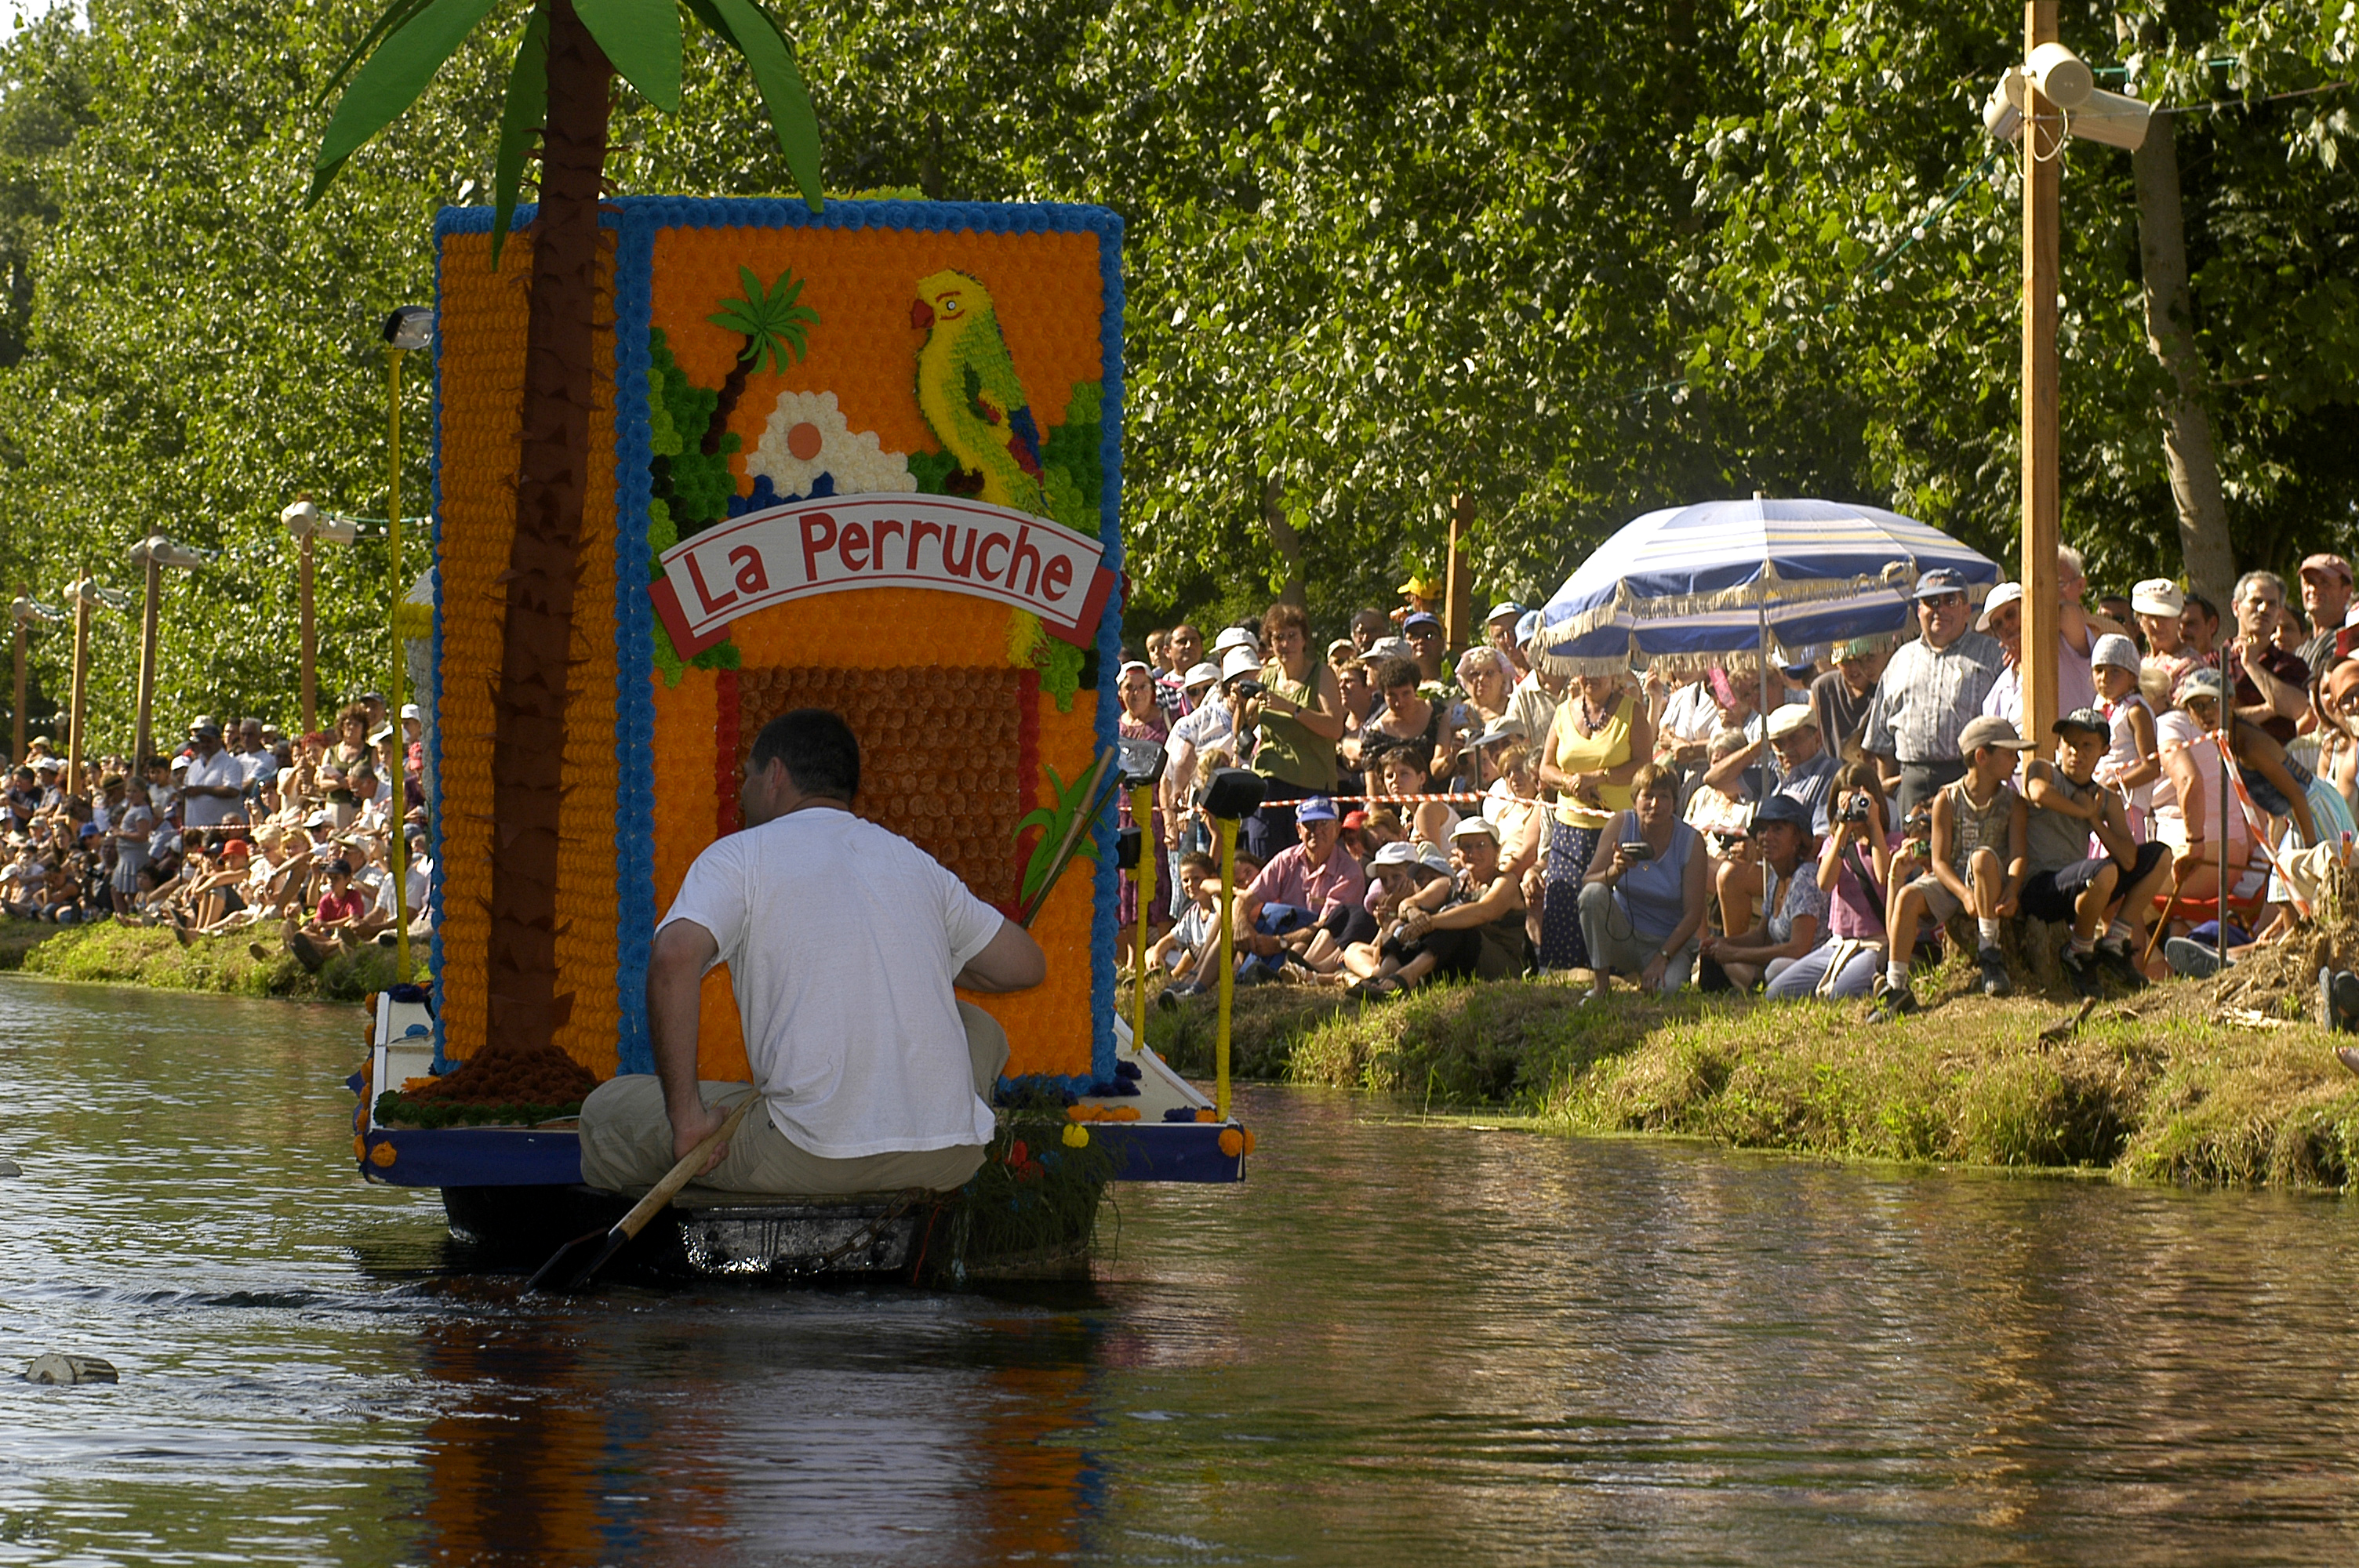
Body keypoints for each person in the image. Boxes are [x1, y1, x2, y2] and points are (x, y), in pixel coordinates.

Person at [578, 708, 1047, 1196]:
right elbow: (1025, 964)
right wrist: (929, 947)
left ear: (775, 774)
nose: (742, 794)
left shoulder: (740, 855)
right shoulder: (915, 863)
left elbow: (673, 957)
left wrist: (687, 1120)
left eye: (748, 777)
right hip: (950, 1155)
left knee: (604, 1113)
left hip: (808, 1153)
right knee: (979, 1028)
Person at [1871, 715, 2031, 1018]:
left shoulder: (2013, 803)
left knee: (1982, 858)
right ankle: (1897, 986)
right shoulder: (1948, 798)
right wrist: (1964, 895)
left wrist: (2012, 889)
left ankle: (1990, 951)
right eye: (2010, 752)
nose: (2017, 759)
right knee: (1907, 897)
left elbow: (2018, 854)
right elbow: (1939, 861)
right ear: (1982, 757)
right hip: (1955, 883)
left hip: (1990, 879)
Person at [2019, 709, 2172, 993]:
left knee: (2160, 856)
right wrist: (2082, 808)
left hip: (2078, 880)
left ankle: (2115, 939)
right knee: (2103, 872)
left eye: (2087, 745)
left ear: (2103, 750)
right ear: (2059, 745)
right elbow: (2038, 792)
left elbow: (2129, 859)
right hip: (2041, 885)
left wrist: (2093, 818)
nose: (2077, 752)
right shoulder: (2044, 771)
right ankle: (2079, 950)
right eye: (2070, 743)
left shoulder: (2105, 799)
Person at [1860, 568, 2006, 817]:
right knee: (1913, 855)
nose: (1940, 610)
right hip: (1913, 784)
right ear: (1919, 611)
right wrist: (1891, 789)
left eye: (1950, 601)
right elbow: (1880, 739)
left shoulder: (1993, 655)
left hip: (1973, 778)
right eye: (1931, 602)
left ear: (1966, 609)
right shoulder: (1900, 661)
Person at [1536, 670, 1651, 971]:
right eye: (1585, 669)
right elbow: (1545, 769)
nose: (1592, 677)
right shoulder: (1564, 712)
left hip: (1617, 827)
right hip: (1569, 828)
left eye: (1600, 669)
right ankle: (1562, 975)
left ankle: (1613, 974)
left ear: (1613, 673)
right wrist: (1571, 781)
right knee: (1566, 906)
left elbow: (1644, 763)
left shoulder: (1632, 711)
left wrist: (1598, 777)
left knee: (1608, 904)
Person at [1350, 818, 1527, 997]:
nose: (1473, 852)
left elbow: (1483, 911)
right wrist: (1416, 916)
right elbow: (1407, 904)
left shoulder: (1506, 882)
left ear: (1496, 850)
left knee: (1456, 923)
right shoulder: (1451, 883)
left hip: (1501, 966)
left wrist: (1431, 922)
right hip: (1460, 963)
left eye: (1481, 845)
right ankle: (1380, 976)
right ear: (1457, 852)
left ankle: (1406, 977)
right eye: (1466, 847)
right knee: (1407, 924)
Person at [1577, 763, 1709, 1000]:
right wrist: (1615, 871)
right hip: (1623, 936)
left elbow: (1693, 915)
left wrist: (1662, 958)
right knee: (1593, 895)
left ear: (1675, 803)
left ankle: (1659, 970)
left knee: (1667, 993)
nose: (1655, 805)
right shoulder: (1621, 824)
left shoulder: (1692, 842)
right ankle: (1600, 986)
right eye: (1648, 796)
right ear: (1634, 800)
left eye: (1664, 797)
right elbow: (1589, 882)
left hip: (1668, 943)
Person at [1765, 761, 1894, 1001]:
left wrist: (1874, 823)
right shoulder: (1833, 846)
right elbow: (1824, 883)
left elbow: (1882, 876)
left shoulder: (1892, 842)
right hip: (1838, 943)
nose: (1855, 808)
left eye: (1860, 801)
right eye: (1847, 802)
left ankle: (1875, 981)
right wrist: (1843, 829)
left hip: (1875, 943)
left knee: (1840, 996)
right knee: (1775, 993)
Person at [1236, 601, 1343, 861]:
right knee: (1265, 857)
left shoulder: (1322, 674)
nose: (1285, 644)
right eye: (1278, 638)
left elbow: (1334, 728)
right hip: (1270, 779)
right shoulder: (1266, 676)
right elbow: (1241, 729)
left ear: (1304, 639)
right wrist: (1240, 701)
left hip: (1312, 782)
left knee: (1307, 861)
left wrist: (1292, 709)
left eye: (1292, 636)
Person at [1699, 794, 1826, 992]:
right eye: (1762, 830)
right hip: (1782, 962)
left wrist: (1734, 954)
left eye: (1778, 829)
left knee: (1774, 969)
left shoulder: (1806, 878)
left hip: (1810, 965)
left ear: (1797, 839)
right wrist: (1721, 944)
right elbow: (1762, 936)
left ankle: (1756, 986)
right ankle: (1755, 987)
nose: (1767, 837)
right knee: (1724, 958)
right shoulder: (1776, 876)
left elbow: (1798, 949)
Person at [1234, 796, 1372, 975]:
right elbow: (1247, 897)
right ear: (1299, 830)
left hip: (1313, 943)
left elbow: (1327, 926)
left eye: (1324, 823)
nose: (1317, 830)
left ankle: (1274, 976)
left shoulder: (1350, 872)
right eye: (1310, 825)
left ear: (1337, 829)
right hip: (1278, 932)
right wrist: (1241, 926)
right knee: (1231, 920)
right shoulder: (1285, 859)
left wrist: (1279, 942)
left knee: (1298, 947)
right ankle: (1200, 983)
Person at [2091, 633, 2159, 832]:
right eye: (2099, 670)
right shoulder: (2103, 708)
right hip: (2102, 804)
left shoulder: (2136, 711)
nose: (2105, 678)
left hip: (2127, 807)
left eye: (2115, 671)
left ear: (2132, 676)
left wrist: (2113, 786)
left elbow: (2152, 767)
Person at [1810, 637, 1885, 760]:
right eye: (1845, 661)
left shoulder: (1884, 685)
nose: (1853, 667)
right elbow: (1813, 739)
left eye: (1859, 660)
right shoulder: (1822, 687)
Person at [179, 721, 243, 833]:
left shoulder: (231, 763)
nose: (205, 745)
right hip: (192, 829)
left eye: (209, 741)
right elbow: (185, 793)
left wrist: (202, 790)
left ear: (219, 741)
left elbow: (233, 791)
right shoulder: (195, 765)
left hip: (217, 830)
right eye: (202, 741)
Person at [2299, 555, 2354, 677]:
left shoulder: (2349, 640)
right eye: (2309, 582)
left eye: (2324, 582)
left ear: (2347, 593)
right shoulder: (2302, 648)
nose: (2313, 589)